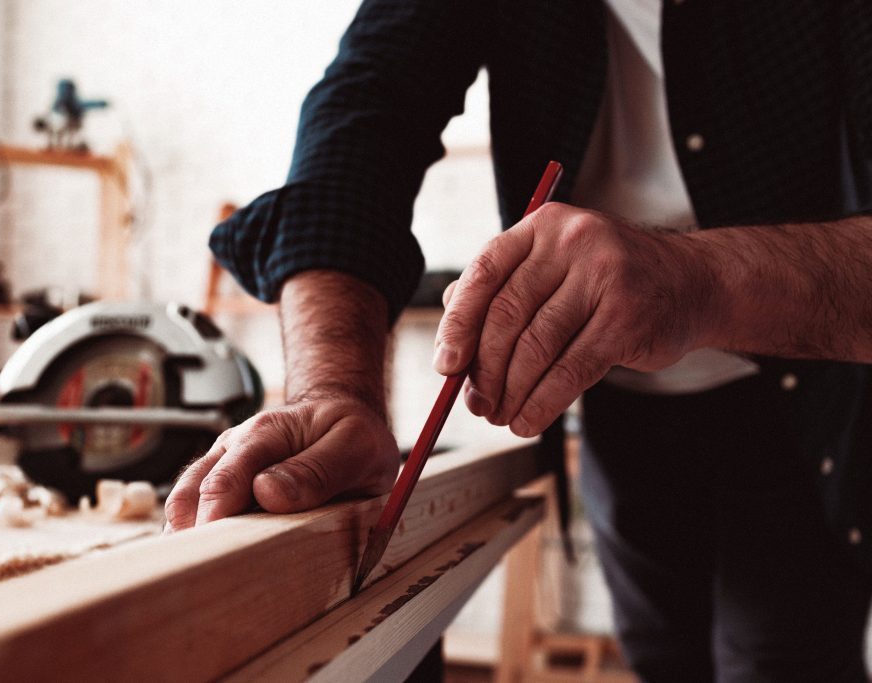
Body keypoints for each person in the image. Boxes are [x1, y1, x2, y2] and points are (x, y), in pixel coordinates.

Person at [166, 1, 872, 680]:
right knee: (662, 654)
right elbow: (363, 118)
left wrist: (698, 281)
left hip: (807, 406)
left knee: (784, 660)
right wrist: (332, 388)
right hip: (618, 406)